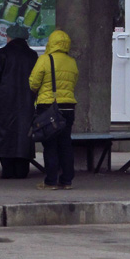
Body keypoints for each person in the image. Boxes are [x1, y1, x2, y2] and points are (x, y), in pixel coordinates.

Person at [29, 29, 79, 190]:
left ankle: (51, 181)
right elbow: (74, 81)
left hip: (49, 107)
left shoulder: (45, 59)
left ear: (51, 43)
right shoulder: (71, 61)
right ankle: (66, 181)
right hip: (68, 108)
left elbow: (33, 83)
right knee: (65, 144)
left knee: (50, 144)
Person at [0, 23, 38, 179]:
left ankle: (8, 170)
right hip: (27, 101)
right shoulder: (32, 55)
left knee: (4, 132)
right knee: (24, 132)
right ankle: (22, 170)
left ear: (10, 38)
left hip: (4, 101)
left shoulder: (3, 53)